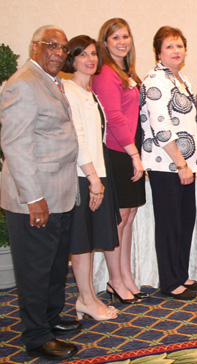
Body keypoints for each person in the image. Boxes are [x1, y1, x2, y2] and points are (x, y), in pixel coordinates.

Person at [0, 25, 80, 360]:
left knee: (54, 265)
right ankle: (36, 336)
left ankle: (49, 319)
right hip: (37, 199)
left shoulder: (49, 81)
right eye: (51, 45)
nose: (58, 53)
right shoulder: (22, 84)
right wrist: (33, 198)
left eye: (63, 48)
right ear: (34, 46)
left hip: (59, 193)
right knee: (35, 270)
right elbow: (15, 146)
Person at [63, 35, 123, 320]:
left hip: (97, 172)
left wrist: (100, 177)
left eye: (93, 54)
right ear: (71, 59)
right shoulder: (69, 90)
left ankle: (86, 297)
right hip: (82, 176)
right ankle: (86, 298)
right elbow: (77, 139)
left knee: (87, 241)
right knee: (81, 242)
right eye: (82, 54)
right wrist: (93, 180)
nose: (90, 59)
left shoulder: (90, 92)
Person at [140, 26, 197, 300]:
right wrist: (180, 164)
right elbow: (161, 127)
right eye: (170, 47)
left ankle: (181, 274)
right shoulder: (155, 80)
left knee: (185, 221)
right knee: (169, 224)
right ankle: (169, 281)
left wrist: (188, 165)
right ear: (158, 52)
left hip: (184, 165)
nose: (176, 51)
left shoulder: (180, 79)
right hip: (167, 165)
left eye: (179, 46)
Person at [92, 18, 146, 303]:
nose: (122, 42)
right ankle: (114, 279)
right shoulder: (105, 74)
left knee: (129, 217)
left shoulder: (126, 73)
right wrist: (134, 155)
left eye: (125, 36)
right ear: (105, 43)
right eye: (115, 38)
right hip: (118, 152)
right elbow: (113, 118)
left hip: (130, 149)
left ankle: (125, 276)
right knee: (119, 219)